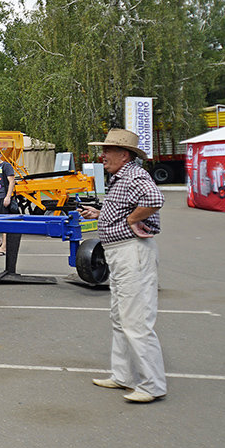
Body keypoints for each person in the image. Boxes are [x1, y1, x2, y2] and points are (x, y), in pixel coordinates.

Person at [79, 128, 166, 404]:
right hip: (120, 254)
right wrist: (101, 213)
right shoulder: (122, 177)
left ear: (123, 154)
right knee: (120, 318)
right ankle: (123, 375)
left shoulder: (134, 175)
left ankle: (152, 384)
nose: (102, 155)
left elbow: (153, 200)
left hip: (132, 253)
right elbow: (123, 208)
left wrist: (131, 221)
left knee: (136, 320)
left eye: (107, 151)